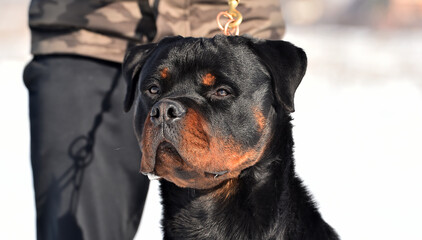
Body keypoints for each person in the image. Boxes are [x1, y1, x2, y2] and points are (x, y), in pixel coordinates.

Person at [23, 0, 285, 239]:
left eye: (220, 92)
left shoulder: (256, 66)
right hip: (92, 36)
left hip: (236, 35)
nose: (164, 112)